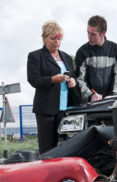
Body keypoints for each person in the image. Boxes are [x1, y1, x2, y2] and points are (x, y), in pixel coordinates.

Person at [27, 20, 80, 154]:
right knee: (47, 148)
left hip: (66, 108)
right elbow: (33, 79)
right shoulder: (35, 56)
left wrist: (73, 81)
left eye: (59, 38)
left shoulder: (67, 57)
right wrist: (52, 79)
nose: (57, 41)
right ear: (44, 38)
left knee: (63, 147)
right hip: (46, 108)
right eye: (53, 38)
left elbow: (73, 75)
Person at [75, 15, 117, 103]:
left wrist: (114, 96)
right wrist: (91, 96)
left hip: (112, 102)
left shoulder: (115, 49)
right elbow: (80, 79)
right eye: (88, 33)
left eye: (93, 34)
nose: (89, 37)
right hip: (90, 103)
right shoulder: (82, 52)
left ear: (103, 33)